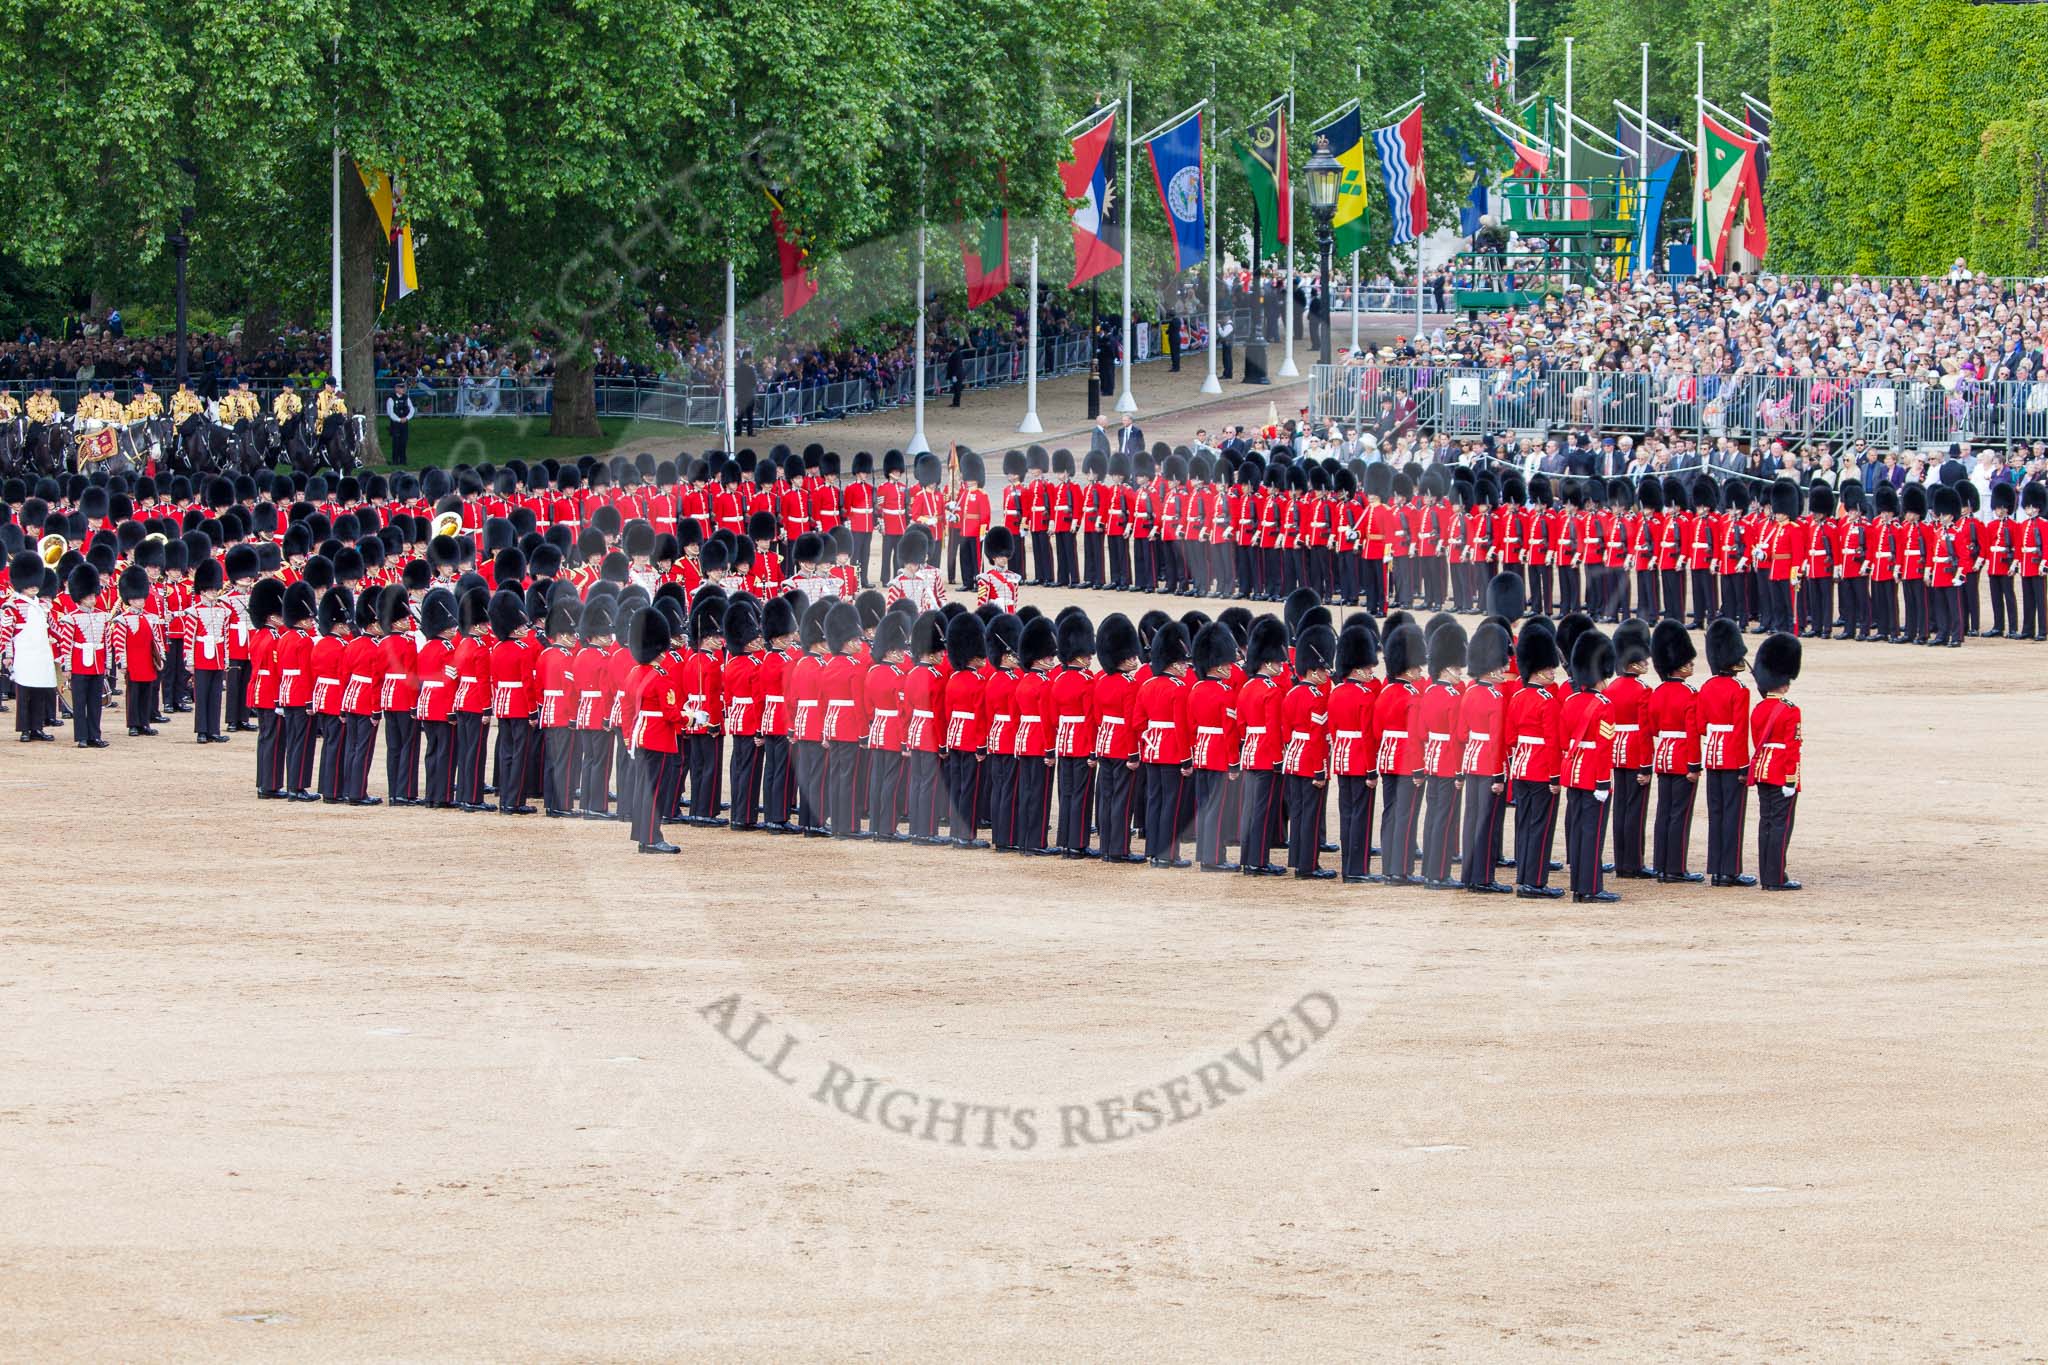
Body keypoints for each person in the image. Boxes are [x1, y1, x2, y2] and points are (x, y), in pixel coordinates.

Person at [1560, 630, 1618, 904]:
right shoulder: (1605, 705)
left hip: (1573, 772)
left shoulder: (1570, 701)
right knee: (1592, 834)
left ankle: (1578, 886)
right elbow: (1604, 748)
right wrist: (1603, 783)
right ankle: (1591, 888)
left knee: (1578, 830)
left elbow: (1563, 740)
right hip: (1594, 775)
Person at [1507, 621, 1564, 899]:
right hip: (1541, 768)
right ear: (1539, 670)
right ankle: (1536, 881)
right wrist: (1556, 776)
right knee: (1540, 826)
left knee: (1524, 821)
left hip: (1520, 766)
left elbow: (1509, 737)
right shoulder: (1547, 700)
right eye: (1549, 668)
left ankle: (1523, 876)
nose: (1553, 671)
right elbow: (1553, 743)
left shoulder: (1517, 697)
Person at [1697, 618, 1754, 888]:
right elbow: (1741, 732)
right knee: (1733, 814)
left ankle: (1716, 869)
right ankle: (1729, 871)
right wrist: (1744, 766)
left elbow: (1700, 725)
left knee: (1716, 812)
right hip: (1732, 756)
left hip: (1712, 754)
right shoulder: (1740, 690)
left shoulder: (1706, 687)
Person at [1280, 624, 1336, 879]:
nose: (1326, 674)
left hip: (1293, 757)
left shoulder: (1291, 693)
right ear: (1312, 671)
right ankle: (1308, 865)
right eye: (1323, 670)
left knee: (1299, 812)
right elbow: (1316, 738)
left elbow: (1285, 730)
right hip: (1309, 760)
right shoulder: (1316, 697)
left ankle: (1297, 858)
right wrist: (1319, 769)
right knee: (1310, 815)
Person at [1749, 632, 1803, 891]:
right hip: (1781, 771)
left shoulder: (1759, 708)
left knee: (1766, 823)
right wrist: (1791, 780)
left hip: (1762, 770)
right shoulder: (1790, 710)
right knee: (1781, 826)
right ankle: (1776, 877)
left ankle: (1766, 874)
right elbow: (1792, 747)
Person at [2, 550, 59, 741]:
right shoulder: (13, 606)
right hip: (24, 655)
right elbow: (6, 634)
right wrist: (7, 655)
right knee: (24, 693)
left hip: (42, 653)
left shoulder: (43, 605)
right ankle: (25, 729)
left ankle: (37, 727)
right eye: (30, 583)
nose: (34, 587)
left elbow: (55, 629)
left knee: (40, 692)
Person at [385, 383, 415, 465]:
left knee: (404, 441)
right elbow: (390, 412)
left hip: (404, 423)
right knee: (396, 442)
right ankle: (395, 461)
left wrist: (407, 418)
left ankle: (403, 460)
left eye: (403, 387)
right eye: (401, 387)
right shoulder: (391, 399)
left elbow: (412, 409)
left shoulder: (406, 398)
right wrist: (399, 419)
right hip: (395, 423)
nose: (403, 389)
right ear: (396, 389)